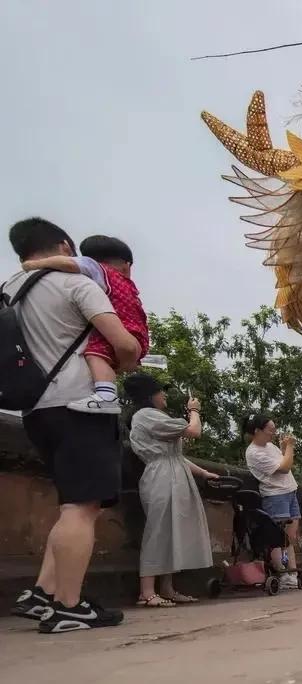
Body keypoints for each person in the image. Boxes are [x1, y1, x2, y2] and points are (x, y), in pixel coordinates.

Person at [7, 218, 140, 633]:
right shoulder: (78, 284)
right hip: (81, 405)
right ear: (65, 245)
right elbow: (123, 343)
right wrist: (129, 356)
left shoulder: (10, 289)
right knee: (83, 508)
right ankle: (68, 606)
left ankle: (44, 593)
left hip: (34, 409)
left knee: (72, 506)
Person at [21, 235, 148, 415]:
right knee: (105, 358)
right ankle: (107, 393)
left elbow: (70, 264)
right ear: (127, 266)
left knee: (95, 355)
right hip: (139, 335)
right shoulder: (130, 286)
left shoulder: (97, 269)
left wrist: (34, 264)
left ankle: (106, 396)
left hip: (123, 333)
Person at [125, 374, 215, 607]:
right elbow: (193, 431)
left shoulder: (154, 416)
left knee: (172, 530)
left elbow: (177, 457)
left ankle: (166, 587)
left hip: (172, 472)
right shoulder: (145, 415)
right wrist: (194, 410)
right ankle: (146, 591)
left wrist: (203, 473)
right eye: (160, 391)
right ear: (148, 395)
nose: (163, 395)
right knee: (158, 530)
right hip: (161, 477)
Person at [244, 413, 302, 589]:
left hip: (289, 492)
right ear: (257, 431)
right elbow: (284, 468)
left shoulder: (270, 447)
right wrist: (290, 446)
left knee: (290, 538)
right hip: (275, 495)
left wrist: (284, 448)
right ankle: (281, 573)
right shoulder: (253, 452)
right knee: (277, 538)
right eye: (270, 430)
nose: (273, 434)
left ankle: (293, 573)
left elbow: (283, 460)